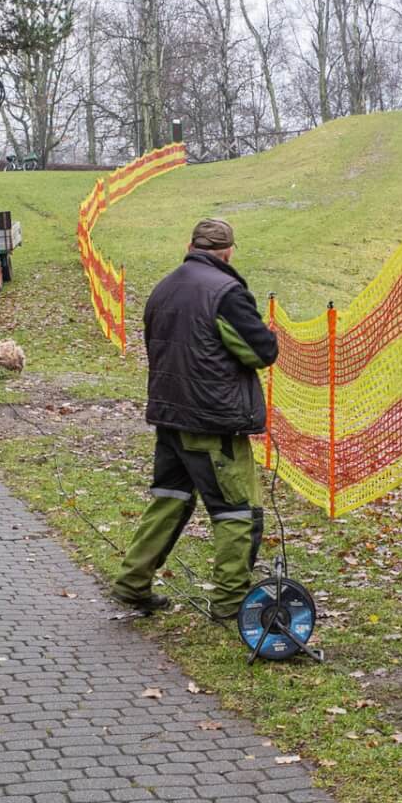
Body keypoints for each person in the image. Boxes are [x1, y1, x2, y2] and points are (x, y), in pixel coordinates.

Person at [112, 217, 279, 620]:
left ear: (191, 245)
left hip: (170, 417)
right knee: (238, 512)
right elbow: (261, 352)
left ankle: (133, 582)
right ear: (228, 252)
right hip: (213, 423)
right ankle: (230, 603)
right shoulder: (226, 293)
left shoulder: (163, 288)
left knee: (169, 501)